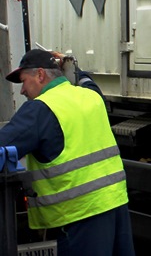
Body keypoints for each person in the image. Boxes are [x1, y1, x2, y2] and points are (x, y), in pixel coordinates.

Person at [0, 48, 135, 256]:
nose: (22, 91)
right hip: (116, 206)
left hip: (80, 215)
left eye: (24, 81)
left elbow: (3, 144)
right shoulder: (91, 97)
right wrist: (72, 65)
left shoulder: (40, 109)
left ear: (40, 75)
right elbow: (87, 82)